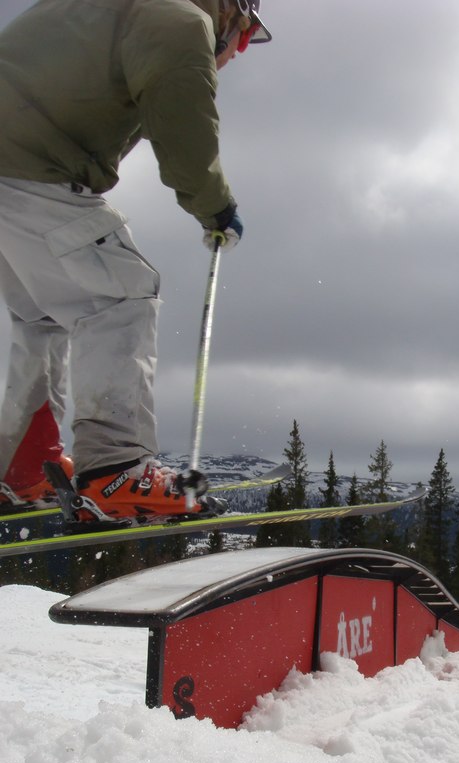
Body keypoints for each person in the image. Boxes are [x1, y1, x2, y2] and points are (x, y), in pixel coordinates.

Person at [0, 0, 271, 519]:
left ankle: (21, 465)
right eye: (243, 38)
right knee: (121, 292)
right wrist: (216, 209)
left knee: (41, 315)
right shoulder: (180, 21)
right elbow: (184, 129)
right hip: (32, 163)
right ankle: (115, 470)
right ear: (233, 13)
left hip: (15, 160)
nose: (235, 54)